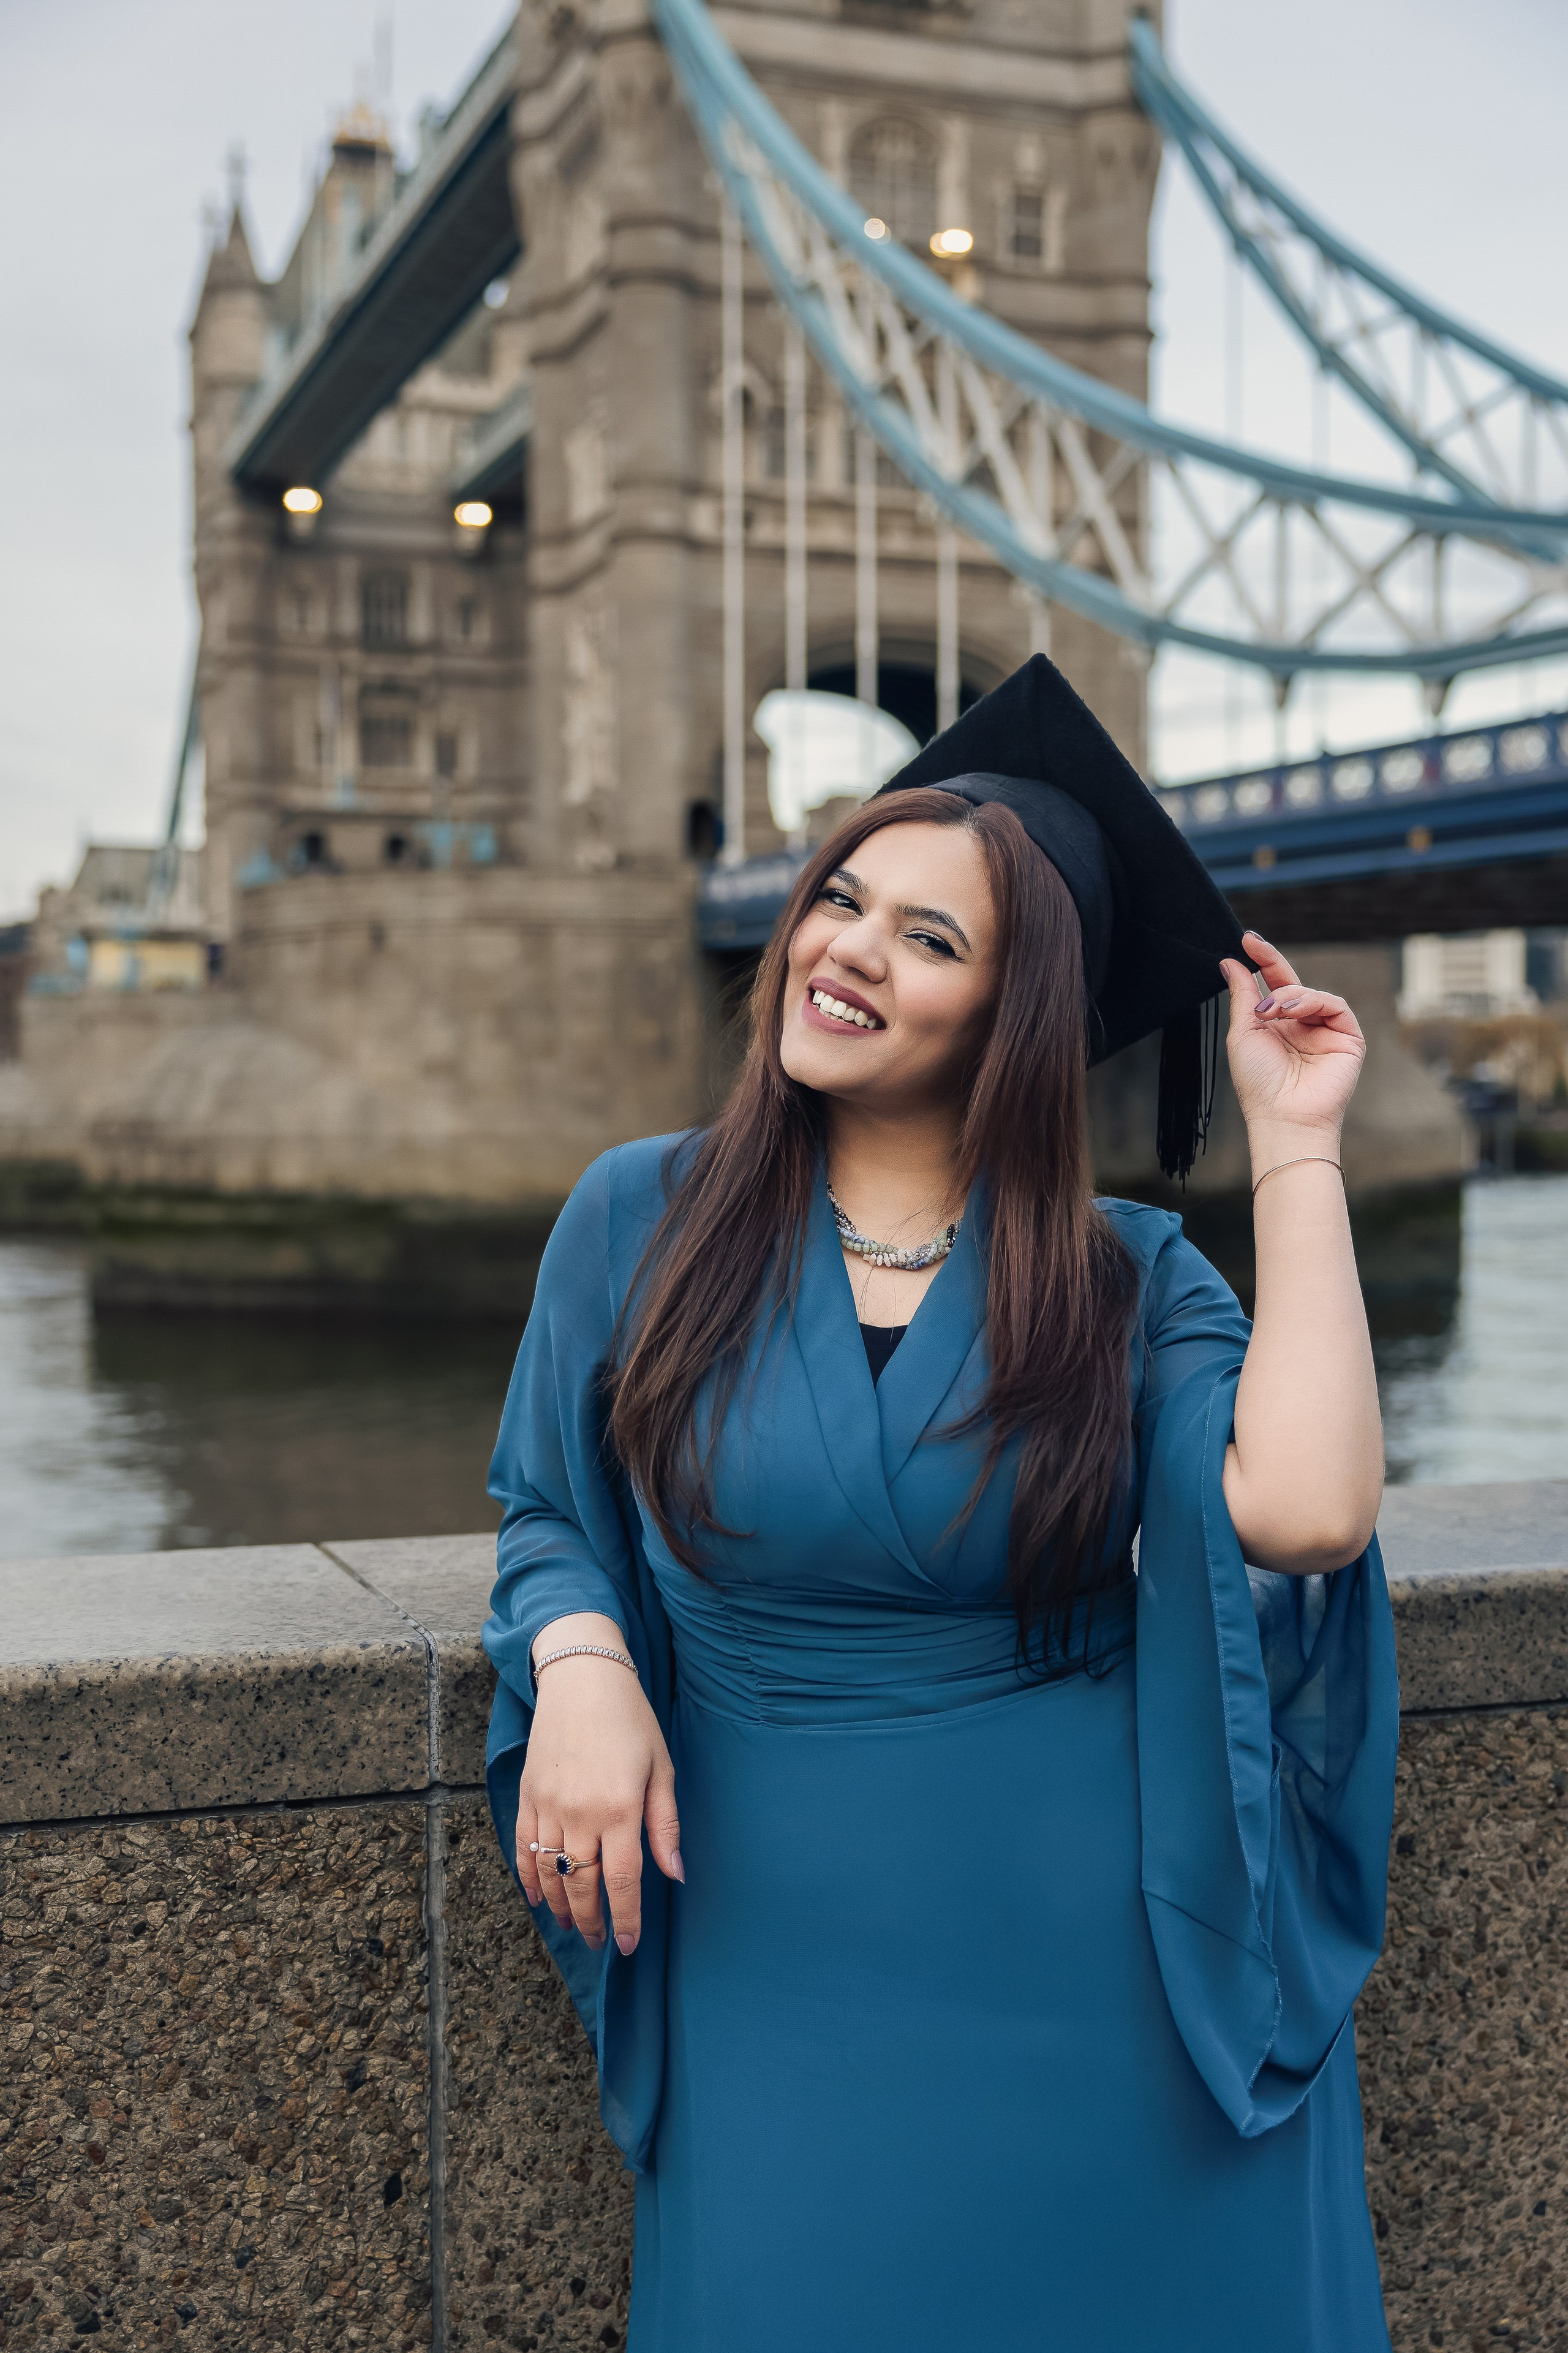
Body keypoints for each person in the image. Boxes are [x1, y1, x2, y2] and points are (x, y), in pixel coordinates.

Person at [482, 654, 1398, 2352]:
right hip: (775, 1953)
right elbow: (547, 1508)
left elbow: (1312, 1511)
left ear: (1011, 1013)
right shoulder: (638, 1217)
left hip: (1110, 1969)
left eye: (932, 938)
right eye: (845, 896)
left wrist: (1299, 1144)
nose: (847, 950)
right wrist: (588, 1667)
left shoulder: (1127, 1278)